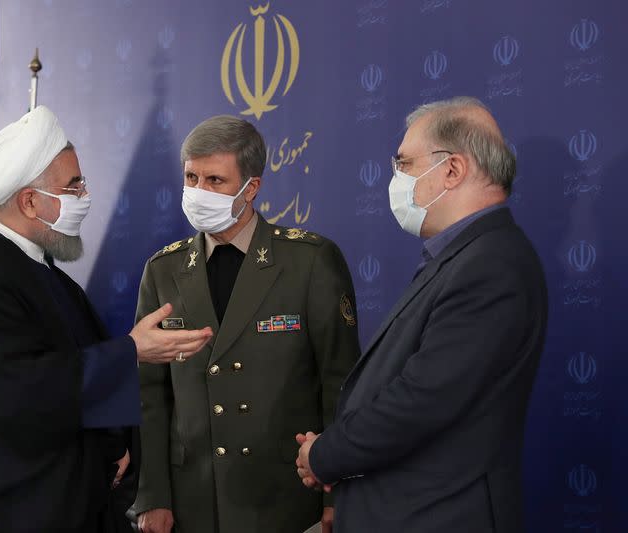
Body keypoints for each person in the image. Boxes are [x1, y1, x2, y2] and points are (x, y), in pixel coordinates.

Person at [0, 106, 213, 532]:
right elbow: (19, 389)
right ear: (30, 202)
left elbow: (73, 366)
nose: (85, 196)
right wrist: (132, 351)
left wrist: (115, 445)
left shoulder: (41, 270)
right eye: (74, 186)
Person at [295, 97, 548, 533]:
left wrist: (324, 455)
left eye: (404, 164)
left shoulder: (491, 265)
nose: (396, 180)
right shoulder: (463, 257)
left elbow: (422, 400)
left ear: (452, 170)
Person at [134, 115, 361, 533]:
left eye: (215, 181)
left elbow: (341, 386)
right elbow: (151, 396)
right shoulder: (162, 270)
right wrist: (153, 496)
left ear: (250, 189)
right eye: (191, 177)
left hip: (286, 499)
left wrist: (336, 495)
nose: (199, 192)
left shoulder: (309, 261)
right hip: (192, 503)